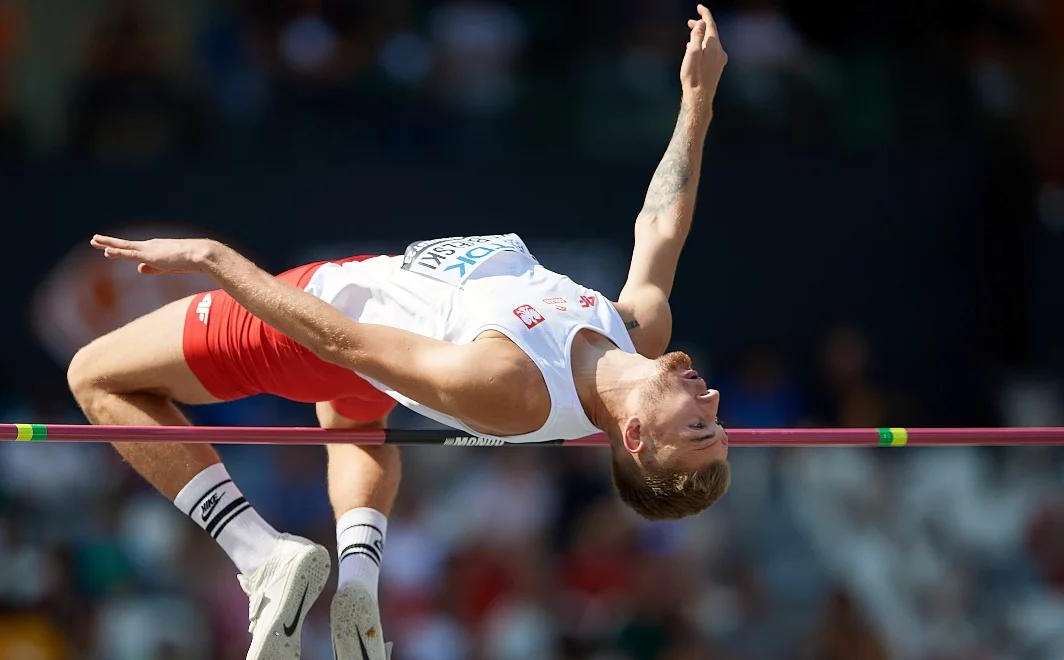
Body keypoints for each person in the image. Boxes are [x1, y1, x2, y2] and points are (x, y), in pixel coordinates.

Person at [67, 6, 729, 659]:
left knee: (94, 375)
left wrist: (217, 260)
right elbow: (660, 224)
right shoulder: (637, 328)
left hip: (314, 314)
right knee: (353, 413)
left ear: (635, 437)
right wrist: (697, 102)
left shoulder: (511, 383)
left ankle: (258, 554)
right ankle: (357, 582)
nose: (713, 402)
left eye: (699, 427)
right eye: (716, 422)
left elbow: (344, 343)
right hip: (367, 343)